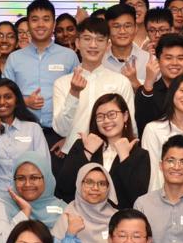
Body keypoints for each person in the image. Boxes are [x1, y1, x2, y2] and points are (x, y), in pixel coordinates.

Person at [3, 0, 79, 150]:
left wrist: (69, 138)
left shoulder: (69, 56)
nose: (40, 25)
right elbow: (4, 96)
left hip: (59, 135)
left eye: (46, 19)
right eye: (35, 19)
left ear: (54, 24)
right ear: (28, 23)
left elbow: (79, 99)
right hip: (22, 132)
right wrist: (24, 102)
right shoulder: (14, 58)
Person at [53, 18, 136, 156]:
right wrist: (73, 93)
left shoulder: (121, 82)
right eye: (87, 39)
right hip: (73, 155)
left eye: (100, 40)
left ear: (108, 45)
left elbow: (130, 126)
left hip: (111, 155)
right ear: (77, 43)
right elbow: (61, 130)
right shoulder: (62, 83)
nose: (93, 45)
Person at [55, 92, 148, 208]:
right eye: (100, 117)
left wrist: (125, 159)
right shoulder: (82, 145)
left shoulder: (140, 155)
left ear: (125, 116)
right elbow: (63, 187)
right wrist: (87, 152)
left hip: (119, 216)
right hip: (82, 213)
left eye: (112, 114)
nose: (106, 120)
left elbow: (137, 198)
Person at [0, 78, 49, 219]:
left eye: (8, 97)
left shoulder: (33, 128)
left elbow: (44, 167)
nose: (2, 102)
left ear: (16, 101)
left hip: (29, 203)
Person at [141, 74, 183, 191]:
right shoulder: (153, 129)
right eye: (182, 91)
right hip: (161, 196)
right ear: (172, 93)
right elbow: (152, 173)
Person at [132, 32, 183, 132]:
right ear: (158, 60)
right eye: (168, 58)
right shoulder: (147, 91)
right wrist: (148, 84)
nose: (174, 63)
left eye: (180, 58)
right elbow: (143, 126)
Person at [103, 3, 149, 84]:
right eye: (116, 26)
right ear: (107, 29)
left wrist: (136, 83)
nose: (122, 31)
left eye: (127, 26)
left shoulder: (149, 61)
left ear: (136, 28)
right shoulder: (99, 61)